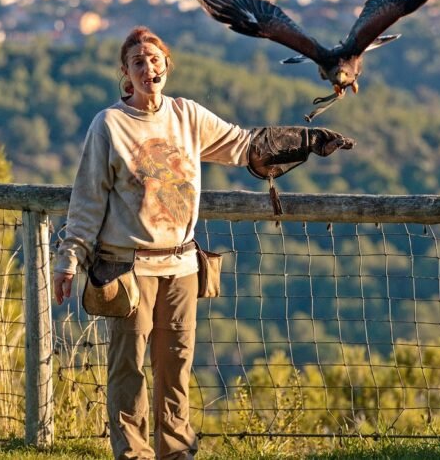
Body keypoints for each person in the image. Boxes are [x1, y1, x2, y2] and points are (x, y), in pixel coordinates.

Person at [52, 25, 354, 460]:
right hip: (127, 269)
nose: (147, 68)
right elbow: (86, 201)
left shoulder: (187, 116)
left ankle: (176, 454)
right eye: (137, 62)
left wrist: (306, 140)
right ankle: (133, 454)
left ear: (167, 66)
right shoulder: (110, 126)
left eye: (155, 60)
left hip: (182, 267)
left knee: (176, 367)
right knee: (128, 370)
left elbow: (245, 146)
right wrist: (69, 259)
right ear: (125, 72)